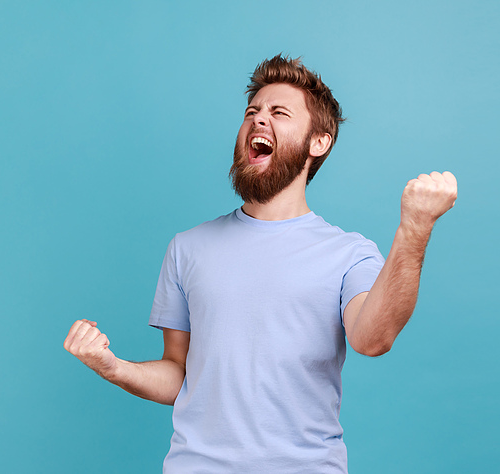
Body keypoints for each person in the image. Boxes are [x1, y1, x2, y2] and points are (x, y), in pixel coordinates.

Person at [63, 54, 457, 473]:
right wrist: (113, 367)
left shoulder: (349, 254)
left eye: (279, 112)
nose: (258, 119)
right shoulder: (188, 248)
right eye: (252, 112)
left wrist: (414, 229)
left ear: (318, 142)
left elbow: (371, 339)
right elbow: (180, 374)